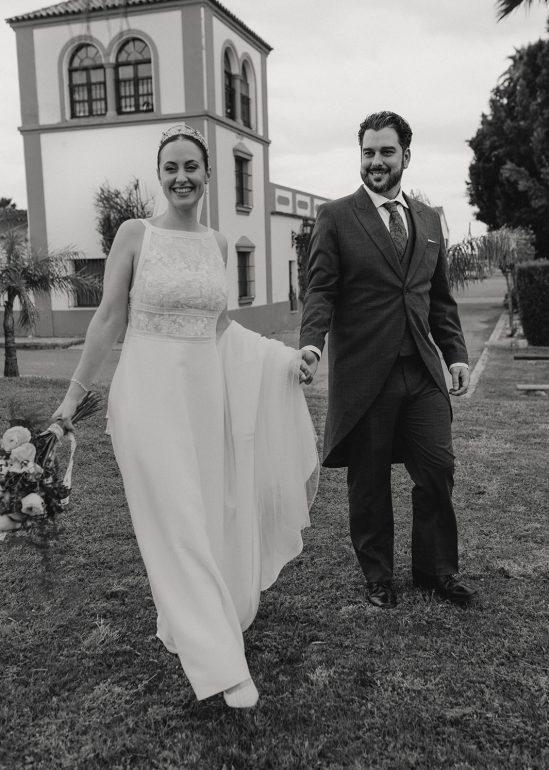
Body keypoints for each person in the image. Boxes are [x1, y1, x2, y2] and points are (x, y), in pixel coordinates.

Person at [53, 123, 318, 708]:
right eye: (170, 167)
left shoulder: (220, 245)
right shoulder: (134, 234)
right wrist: (70, 402)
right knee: (173, 518)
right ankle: (222, 664)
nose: (181, 177)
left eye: (191, 167)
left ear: (207, 174)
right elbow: (106, 321)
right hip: (146, 395)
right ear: (159, 174)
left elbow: (220, 328)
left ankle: (184, 622)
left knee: (202, 515)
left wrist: (282, 359)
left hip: (203, 398)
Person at [299, 111, 477, 609]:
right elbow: (321, 290)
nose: (376, 161)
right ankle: (378, 575)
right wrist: (311, 342)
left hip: (421, 369)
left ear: (406, 156)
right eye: (368, 152)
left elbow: (438, 299)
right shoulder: (336, 216)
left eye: (386, 152)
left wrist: (456, 356)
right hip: (365, 374)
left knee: (438, 467)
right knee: (370, 479)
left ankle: (436, 572)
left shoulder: (427, 219)